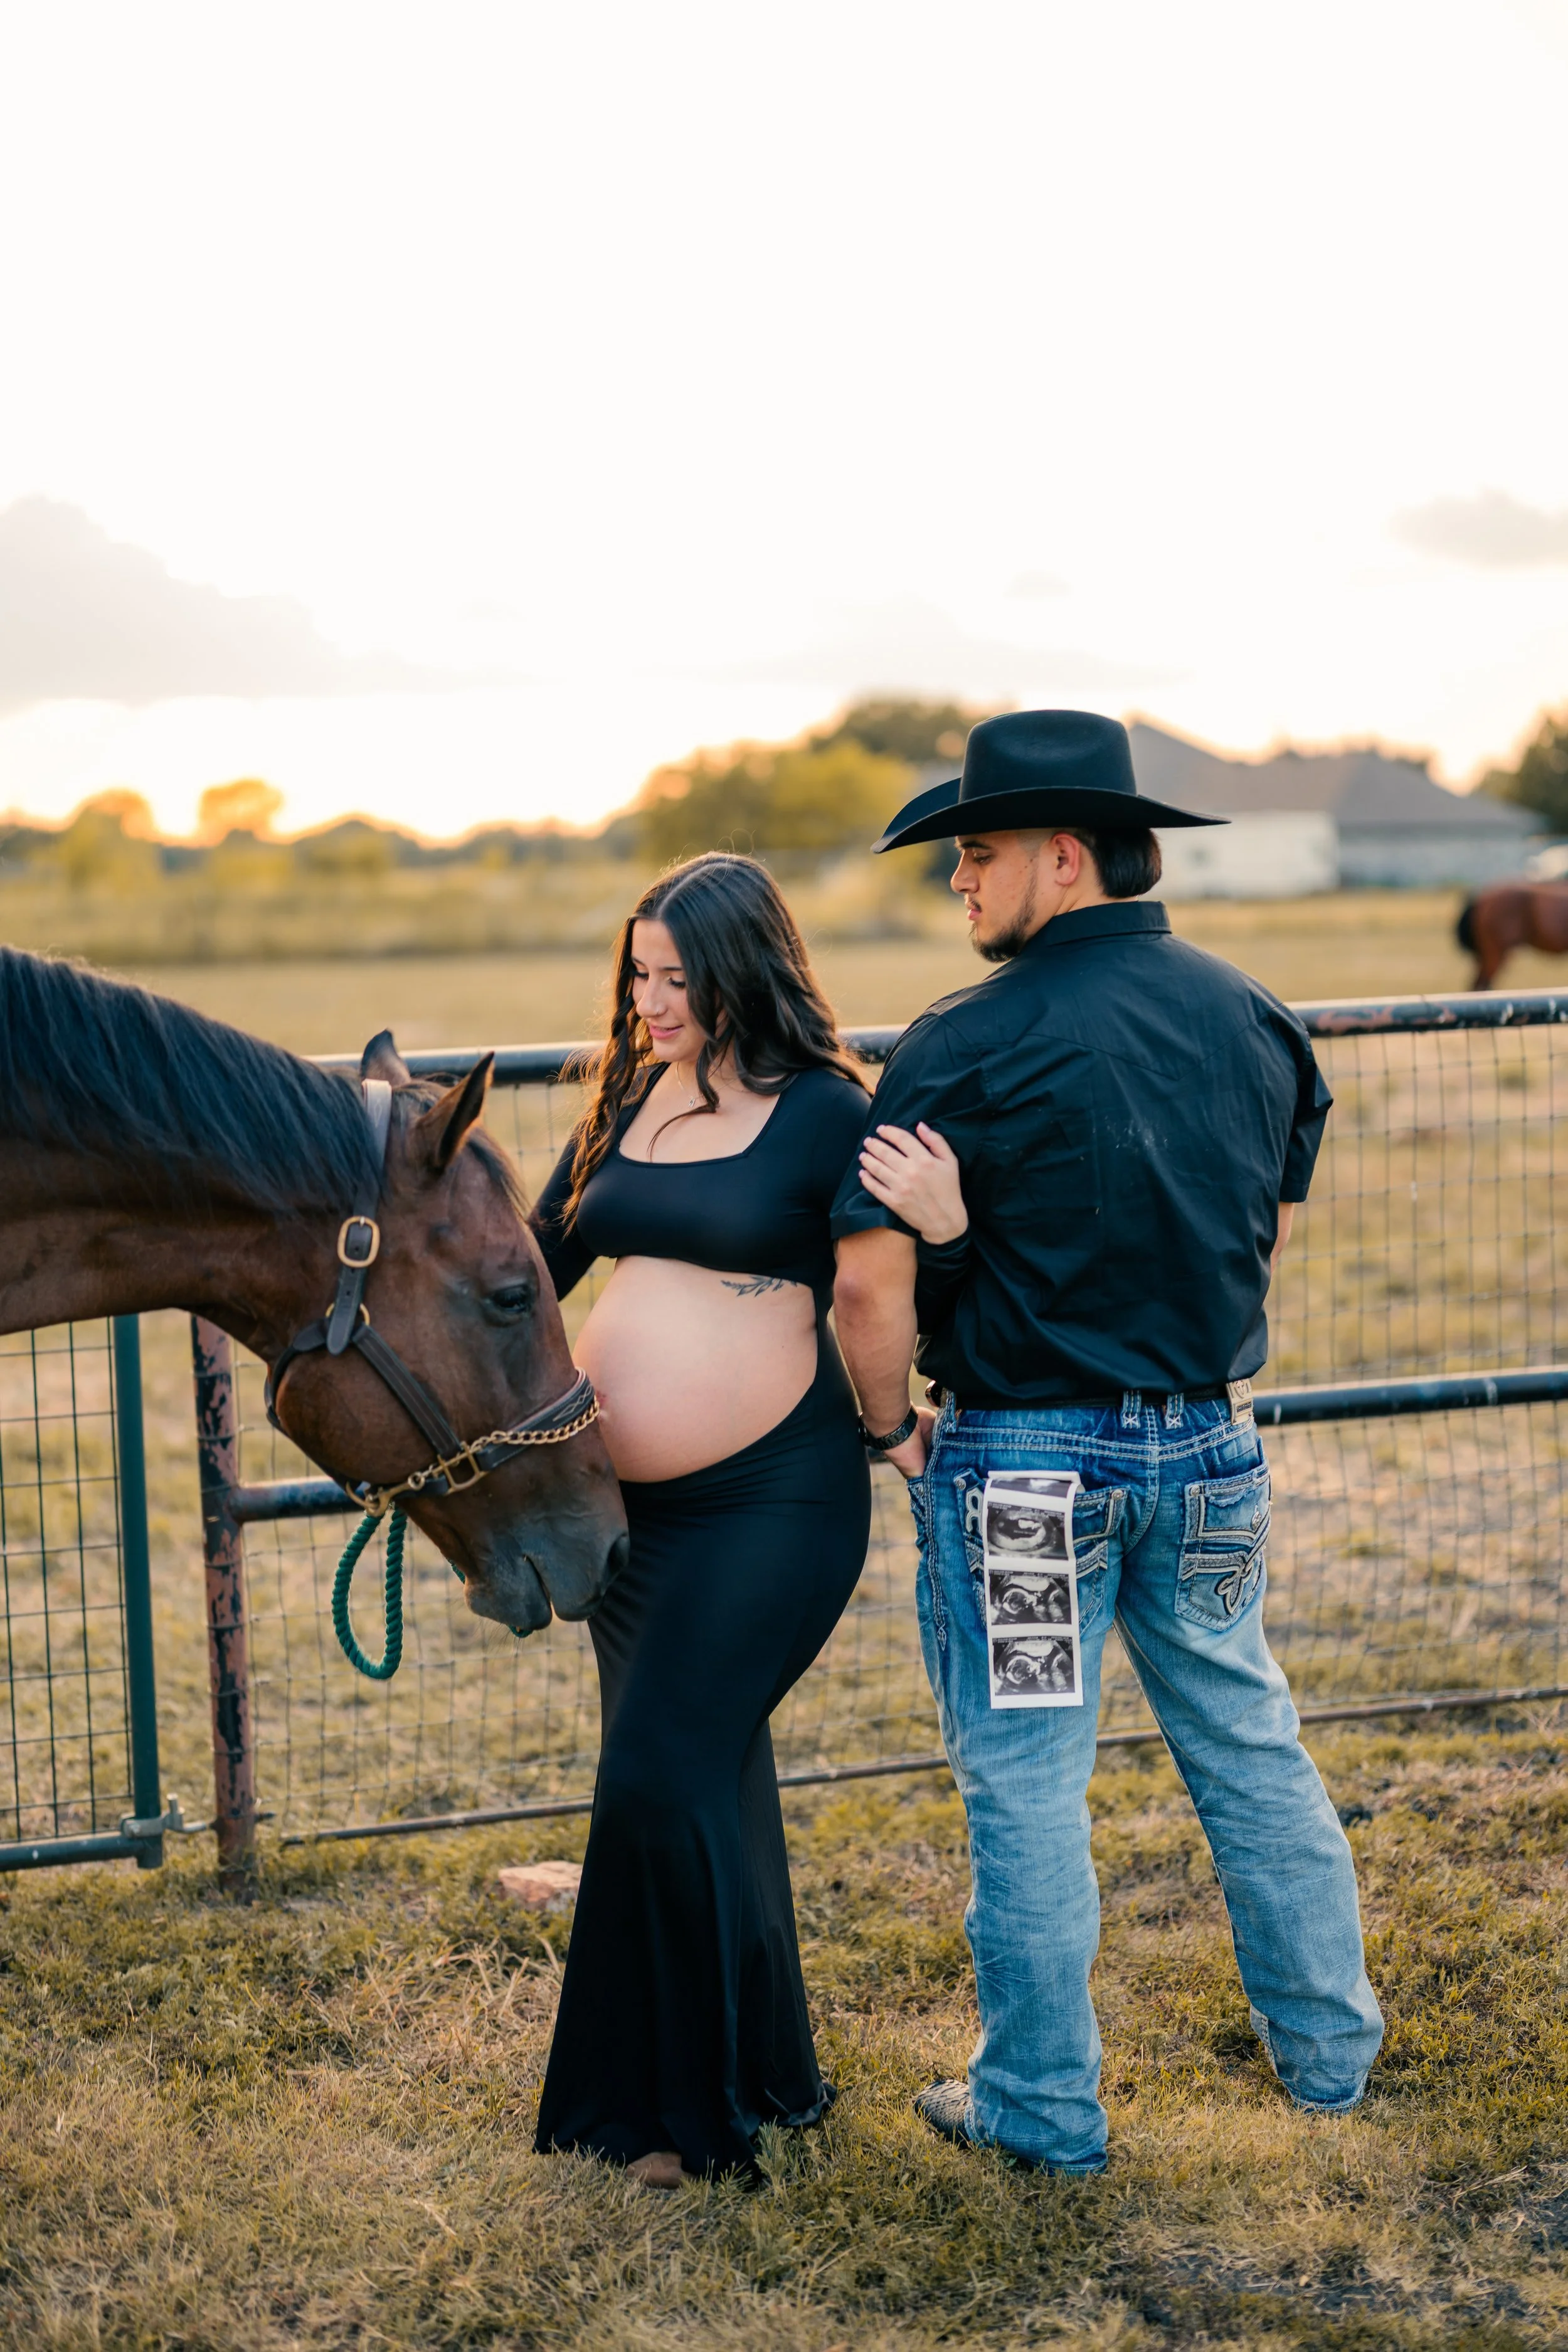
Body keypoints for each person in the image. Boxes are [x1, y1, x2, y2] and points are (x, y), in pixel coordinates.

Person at [830, 709, 1384, 2175]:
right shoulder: (1253, 1016)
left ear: (1062, 860)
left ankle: (1039, 2111)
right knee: (1247, 1741)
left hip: (1020, 1473)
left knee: (1022, 1780)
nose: (958, 881)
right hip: (1205, 1454)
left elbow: (866, 1284)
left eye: (979, 852)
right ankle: (1329, 2062)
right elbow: (1242, 1239)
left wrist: (891, 1424)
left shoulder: (959, 1044)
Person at [527, 851, 873, 2186]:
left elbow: (900, 1276)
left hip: (770, 1503)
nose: (649, 1000)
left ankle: (678, 2122)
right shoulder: (625, 1096)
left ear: (743, 968)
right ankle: (760, 2073)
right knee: (706, 1779)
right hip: (629, 1523)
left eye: (675, 976)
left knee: (657, 1780)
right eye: (636, 972)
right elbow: (534, 1263)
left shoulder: (826, 1113)